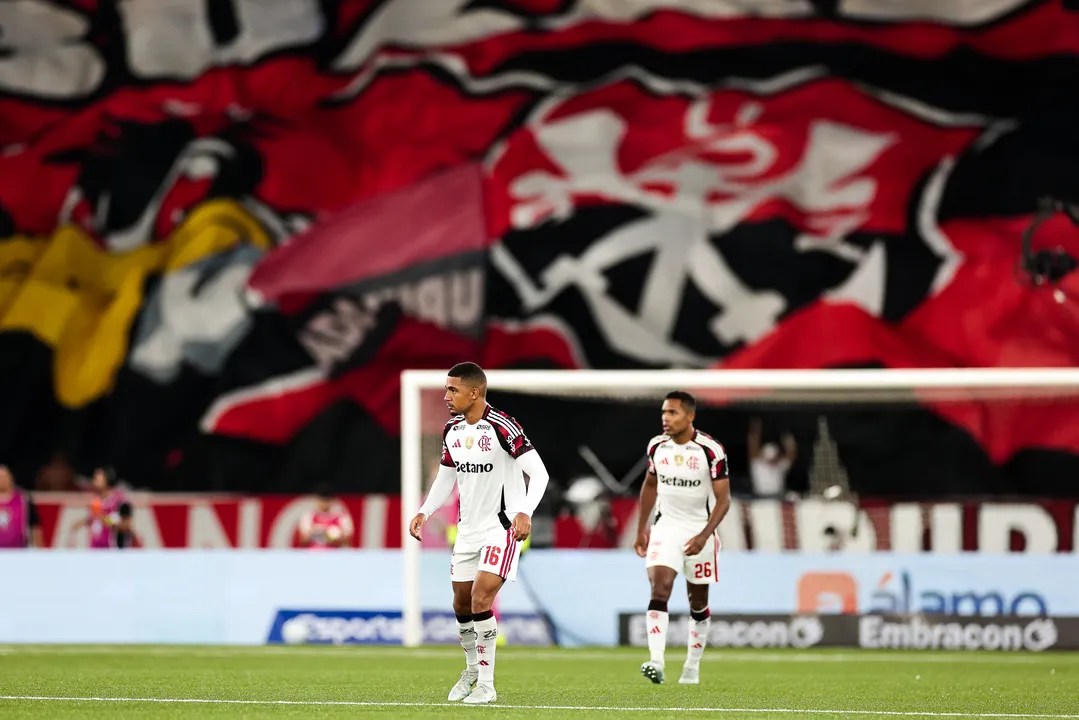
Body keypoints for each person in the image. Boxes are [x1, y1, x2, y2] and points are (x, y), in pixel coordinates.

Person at [409, 362, 550, 705]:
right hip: (468, 532)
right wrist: (425, 511)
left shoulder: (503, 426)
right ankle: (472, 670)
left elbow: (540, 474)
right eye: (446, 389)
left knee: (481, 599)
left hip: (501, 529)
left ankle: (487, 685)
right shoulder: (452, 430)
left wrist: (524, 512)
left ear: (474, 392)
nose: (446, 396)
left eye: (452, 390)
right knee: (461, 605)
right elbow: (446, 476)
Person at [634, 391, 731, 686]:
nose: (666, 418)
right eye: (664, 412)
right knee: (659, 588)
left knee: (697, 602)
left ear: (690, 417)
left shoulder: (710, 450)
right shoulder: (657, 447)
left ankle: (691, 666)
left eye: (673, 412)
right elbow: (650, 486)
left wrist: (704, 535)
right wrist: (642, 528)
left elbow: (724, 499)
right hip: (666, 527)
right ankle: (657, 660)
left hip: (699, 529)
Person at [69, 467, 127, 548]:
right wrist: (78, 525)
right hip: (95, 547)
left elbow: (119, 524)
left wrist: (103, 518)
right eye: (94, 478)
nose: (94, 481)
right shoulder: (95, 499)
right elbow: (92, 519)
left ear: (108, 479)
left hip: (111, 548)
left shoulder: (118, 499)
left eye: (98, 478)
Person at [297, 484, 354, 550]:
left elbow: (346, 540)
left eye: (327, 500)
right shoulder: (309, 517)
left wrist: (317, 534)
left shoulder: (342, 517)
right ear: (317, 499)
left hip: (335, 556)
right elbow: (304, 539)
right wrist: (330, 535)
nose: (324, 503)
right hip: (314, 556)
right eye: (322, 499)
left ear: (333, 500)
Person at [0, 465, 43, 548]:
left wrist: (39, 550)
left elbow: (35, 525)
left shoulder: (23, 499)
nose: (1, 480)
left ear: (10, 479)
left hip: (19, 552)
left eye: (4, 477)